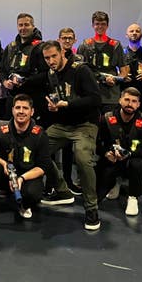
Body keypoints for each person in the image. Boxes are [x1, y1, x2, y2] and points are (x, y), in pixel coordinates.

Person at [39, 40, 103, 231]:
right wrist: (54, 107)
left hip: (85, 125)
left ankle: (91, 208)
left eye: (54, 56)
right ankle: (62, 190)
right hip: (62, 125)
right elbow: (59, 100)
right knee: (37, 149)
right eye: (47, 58)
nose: (51, 61)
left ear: (62, 53)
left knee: (82, 158)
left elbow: (95, 99)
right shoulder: (51, 74)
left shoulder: (80, 70)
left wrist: (67, 105)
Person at [0, 94, 51, 230]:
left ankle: (24, 205)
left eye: (25, 108)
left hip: (27, 177)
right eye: (18, 107)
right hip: (5, 174)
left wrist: (21, 178)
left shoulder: (39, 134)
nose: (21, 111)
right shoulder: (0, 128)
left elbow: (43, 167)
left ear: (32, 112)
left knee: (33, 194)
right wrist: (3, 163)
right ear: (13, 110)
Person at [96, 88, 142, 217]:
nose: (129, 104)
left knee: (138, 164)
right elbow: (97, 144)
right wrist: (106, 153)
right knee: (96, 197)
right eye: (127, 99)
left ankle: (133, 197)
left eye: (134, 101)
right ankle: (115, 182)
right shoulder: (106, 118)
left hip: (133, 159)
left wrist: (128, 154)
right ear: (120, 100)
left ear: (138, 104)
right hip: (112, 160)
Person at [0, 13, 48, 124]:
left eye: (26, 25)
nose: (23, 28)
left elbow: (46, 74)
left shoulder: (41, 47)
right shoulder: (11, 47)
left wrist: (24, 81)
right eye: (20, 25)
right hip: (12, 99)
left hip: (34, 99)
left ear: (33, 27)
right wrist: (4, 81)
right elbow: (2, 69)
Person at [77, 11, 128, 115]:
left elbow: (124, 70)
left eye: (103, 24)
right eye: (97, 24)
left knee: (110, 122)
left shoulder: (116, 45)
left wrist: (115, 80)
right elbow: (78, 70)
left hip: (111, 95)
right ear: (93, 25)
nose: (100, 27)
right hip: (90, 93)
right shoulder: (85, 45)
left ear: (107, 26)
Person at [57, 27, 83, 194]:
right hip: (55, 108)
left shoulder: (79, 59)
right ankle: (51, 183)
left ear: (74, 40)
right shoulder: (53, 57)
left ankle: (68, 180)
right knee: (50, 148)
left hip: (72, 107)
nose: (67, 40)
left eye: (70, 38)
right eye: (64, 38)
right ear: (59, 40)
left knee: (68, 149)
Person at [121, 23, 142, 115]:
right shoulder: (121, 53)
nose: (134, 33)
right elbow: (116, 73)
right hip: (125, 93)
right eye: (131, 31)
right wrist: (122, 76)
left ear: (141, 35)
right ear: (126, 35)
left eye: (137, 31)